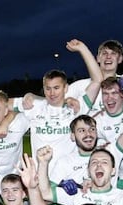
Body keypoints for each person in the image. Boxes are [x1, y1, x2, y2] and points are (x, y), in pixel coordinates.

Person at [22, 39, 101, 184]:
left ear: (66, 88)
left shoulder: (76, 109)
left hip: (69, 180)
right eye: (48, 88)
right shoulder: (34, 106)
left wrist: (82, 49)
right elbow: (1, 104)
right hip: (40, 179)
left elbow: (97, 81)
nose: (52, 93)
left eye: (57, 88)